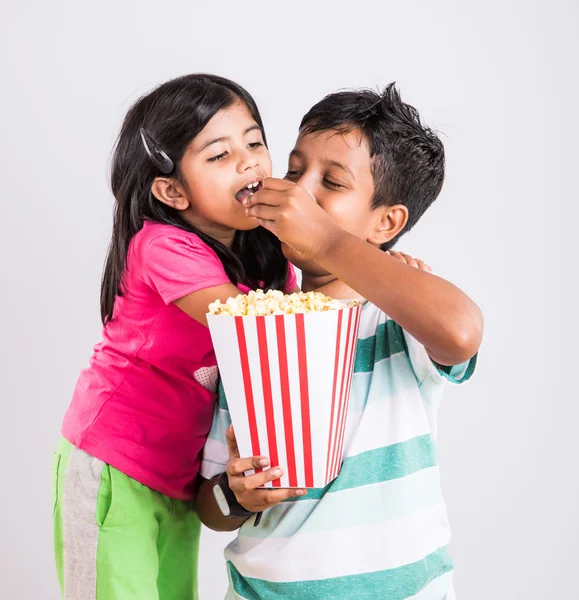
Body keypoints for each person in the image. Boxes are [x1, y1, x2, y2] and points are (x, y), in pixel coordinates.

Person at [197, 83, 483, 599]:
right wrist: (239, 496)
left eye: (331, 181)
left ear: (387, 222)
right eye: (293, 170)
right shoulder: (252, 329)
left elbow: (461, 332)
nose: (300, 191)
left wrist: (328, 241)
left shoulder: (399, 323)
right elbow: (211, 508)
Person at [52, 73, 298, 600]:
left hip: (179, 476)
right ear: (171, 190)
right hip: (115, 463)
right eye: (218, 155)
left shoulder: (266, 254)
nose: (249, 160)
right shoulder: (160, 245)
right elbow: (253, 324)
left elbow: (301, 322)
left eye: (254, 142)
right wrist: (317, 241)